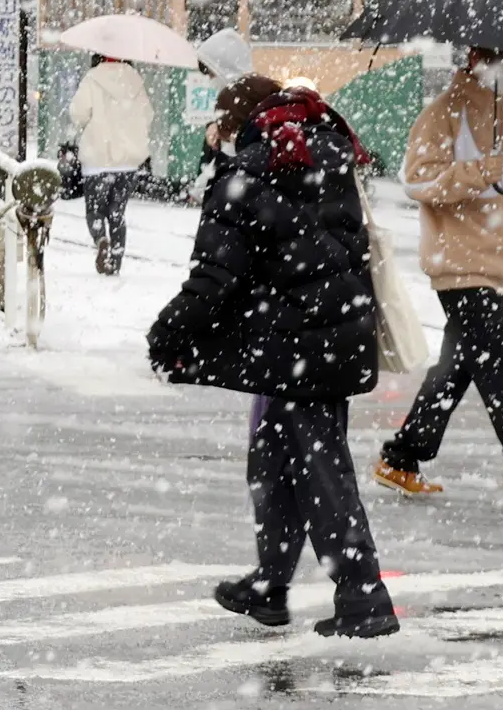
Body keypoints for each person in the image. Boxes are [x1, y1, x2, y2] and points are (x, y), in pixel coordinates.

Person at [146, 79, 398, 639]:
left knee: (320, 472)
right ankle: (270, 585)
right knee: (276, 464)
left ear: (238, 123)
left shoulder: (251, 174)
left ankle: (364, 596)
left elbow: (216, 277)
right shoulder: (327, 157)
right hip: (329, 337)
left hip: (296, 348)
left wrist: (166, 334)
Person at [373, 47, 503, 499]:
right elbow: (419, 182)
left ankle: (402, 456)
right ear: (475, 57)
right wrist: (486, 168)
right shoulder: (441, 113)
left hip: (498, 259)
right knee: (499, 357)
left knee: (459, 365)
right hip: (458, 260)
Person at [68, 54, 153, 275]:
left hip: (98, 159)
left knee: (95, 211)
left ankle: (101, 239)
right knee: (117, 213)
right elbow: (148, 115)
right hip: (127, 161)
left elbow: (77, 114)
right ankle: (115, 260)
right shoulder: (135, 80)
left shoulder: (92, 78)